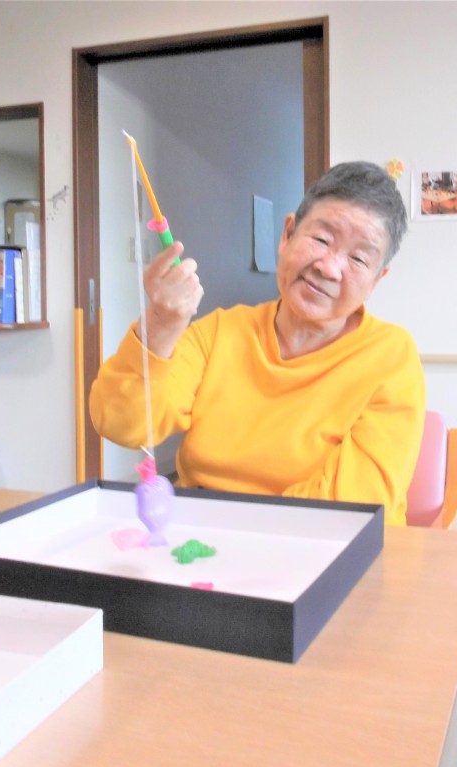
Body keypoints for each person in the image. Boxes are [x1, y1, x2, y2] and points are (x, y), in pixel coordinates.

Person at [89, 162, 426, 526]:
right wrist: (161, 324)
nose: (329, 268)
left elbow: (352, 508)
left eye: (358, 258)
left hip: (316, 546)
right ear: (287, 235)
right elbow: (121, 423)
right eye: (321, 240)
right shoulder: (220, 332)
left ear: (376, 280)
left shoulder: (391, 357)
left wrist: (232, 531)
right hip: (202, 540)